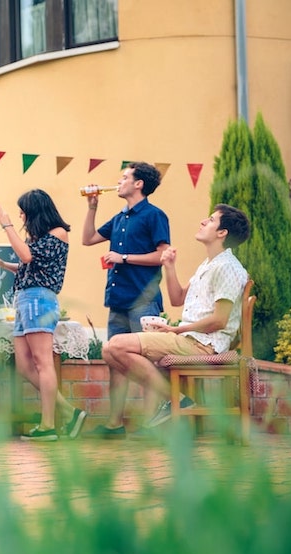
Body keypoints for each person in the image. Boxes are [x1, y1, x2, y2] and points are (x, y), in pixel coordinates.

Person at [100, 204, 251, 433]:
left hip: (203, 345)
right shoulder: (209, 264)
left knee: (116, 346)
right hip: (189, 338)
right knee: (110, 349)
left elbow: (219, 321)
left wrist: (175, 331)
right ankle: (175, 400)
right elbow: (177, 298)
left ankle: (176, 400)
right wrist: (169, 266)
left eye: (210, 220)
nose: (203, 222)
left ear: (222, 233)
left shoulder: (227, 268)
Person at [0, 189, 87, 441]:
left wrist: (6, 224)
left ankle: (48, 425)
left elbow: (26, 256)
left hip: (39, 299)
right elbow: (27, 265)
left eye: (23, 212)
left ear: (36, 210)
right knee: (24, 365)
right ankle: (70, 413)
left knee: (42, 363)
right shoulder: (38, 237)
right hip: (25, 298)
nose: (20, 216)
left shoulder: (58, 233)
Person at [82, 161, 171, 438]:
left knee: (146, 362)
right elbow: (87, 239)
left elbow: (163, 255)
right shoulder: (120, 217)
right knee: (116, 363)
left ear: (138, 184)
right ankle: (114, 424)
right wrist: (92, 206)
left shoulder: (154, 215)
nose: (119, 182)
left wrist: (124, 258)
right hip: (118, 299)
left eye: (124, 177)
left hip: (143, 301)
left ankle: (150, 425)